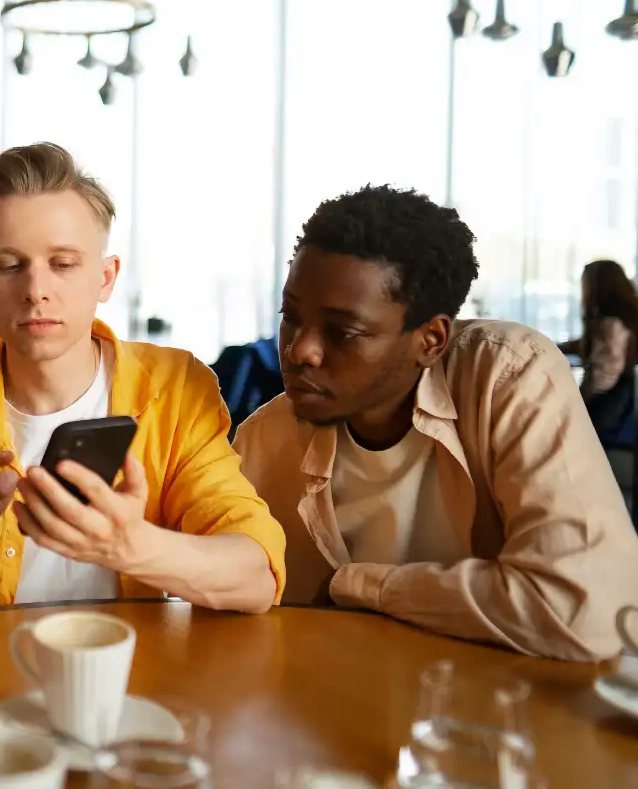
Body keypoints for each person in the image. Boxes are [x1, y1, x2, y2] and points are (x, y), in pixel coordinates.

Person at [0, 143, 286, 617]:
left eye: (64, 264)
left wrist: (131, 546)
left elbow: (256, 577)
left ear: (106, 277)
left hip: (125, 682)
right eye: (10, 266)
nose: (36, 290)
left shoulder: (175, 390)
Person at [234, 185, 638, 661]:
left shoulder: (508, 374)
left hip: (502, 717)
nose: (300, 350)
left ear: (431, 339)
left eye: (343, 332)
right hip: (335, 711)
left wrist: (358, 586)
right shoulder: (263, 442)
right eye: (291, 317)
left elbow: (585, 612)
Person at [558, 259, 638, 447]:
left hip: (608, 407)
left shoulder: (609, 325)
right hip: (618, 403)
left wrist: (576, 403)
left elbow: (604, 376)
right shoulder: (621, 320)